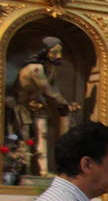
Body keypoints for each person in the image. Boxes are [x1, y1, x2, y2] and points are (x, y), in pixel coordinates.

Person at [13, 37, 79, 173]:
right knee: (24, 138)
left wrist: (65, 104)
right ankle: (24, 171)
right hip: (21, 105)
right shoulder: (35, 68)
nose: (59, 56)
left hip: (37, 103)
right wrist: (65, 103)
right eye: (55, 52)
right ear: (45, 51)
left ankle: (43, 171)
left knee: (42, 134)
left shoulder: (51, 68)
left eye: (60, 52)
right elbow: (48, 89)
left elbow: (54, 89)